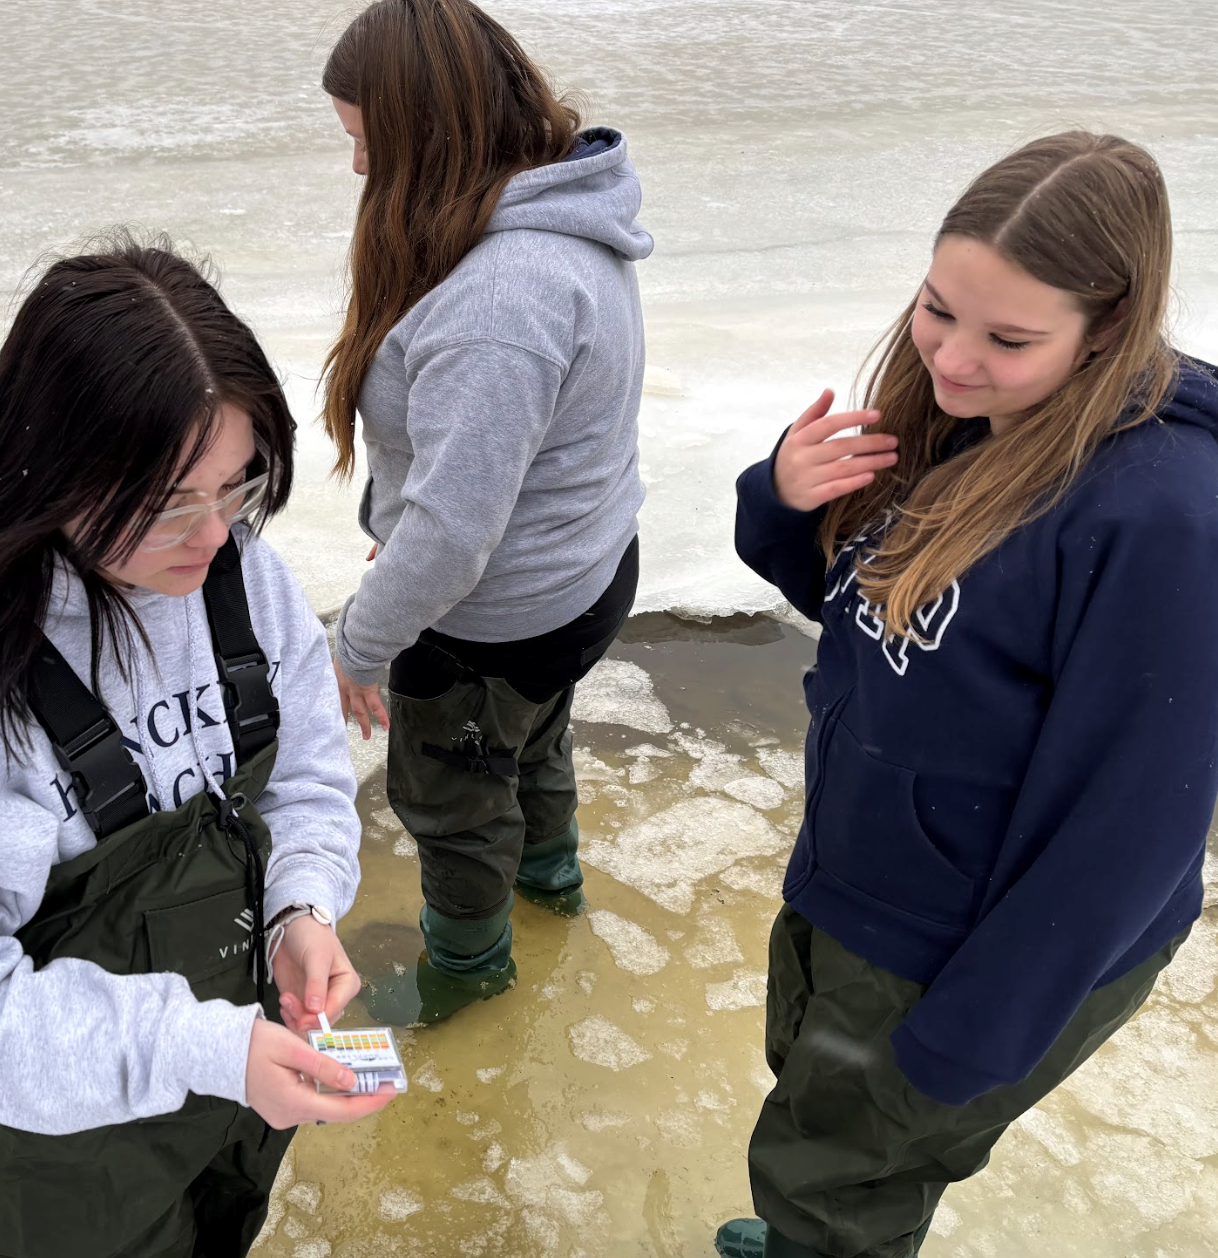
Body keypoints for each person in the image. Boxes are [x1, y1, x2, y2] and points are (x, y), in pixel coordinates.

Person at [0, 238, 395, 1258]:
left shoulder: (241, 582)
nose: (215, 533)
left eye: (238, 485)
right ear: (50, 466)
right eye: (171, 500)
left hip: (234, 1094)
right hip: (60, 1155)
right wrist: (200, 1045)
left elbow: (305, 777)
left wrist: (297, 909)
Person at [717, 132, 1218, 1258]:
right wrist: (785, 497)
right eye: (938, 307)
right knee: (813, 1111)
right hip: (862, 878)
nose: (950, 355)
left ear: (1110, 324)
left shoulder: (1159, 518)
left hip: (973, 940)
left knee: (847, 1171)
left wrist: (973, 1032)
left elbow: (1133, 820)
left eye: (1007, 337)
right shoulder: (955, 418)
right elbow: (853, 597)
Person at [321, 0, 651, 1023]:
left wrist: (359, 644)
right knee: (534, 739)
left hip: (496, 614)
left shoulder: (501, 299)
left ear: (427, 134)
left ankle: (465, 978)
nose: (358, 171)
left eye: (366, 145)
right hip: (582, 574)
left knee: (453, 800)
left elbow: (455, 536)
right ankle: (551, 884)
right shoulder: (565, 212)